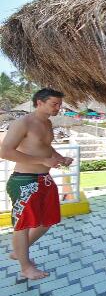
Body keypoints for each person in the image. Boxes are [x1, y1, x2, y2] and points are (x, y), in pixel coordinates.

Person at [0, 88, 72, 280]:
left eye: (59, 104)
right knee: (23, 225)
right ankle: (25, 266)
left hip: (44, 180)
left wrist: (59, 157)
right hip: (24, 180)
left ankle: (19, 251)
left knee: (47, 221)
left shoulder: (47, 123)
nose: (58, 108)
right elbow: (5, 151)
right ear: (39, 102)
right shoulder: (22, 123)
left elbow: (46, 147)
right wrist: (42, 162)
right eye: (54, 104)